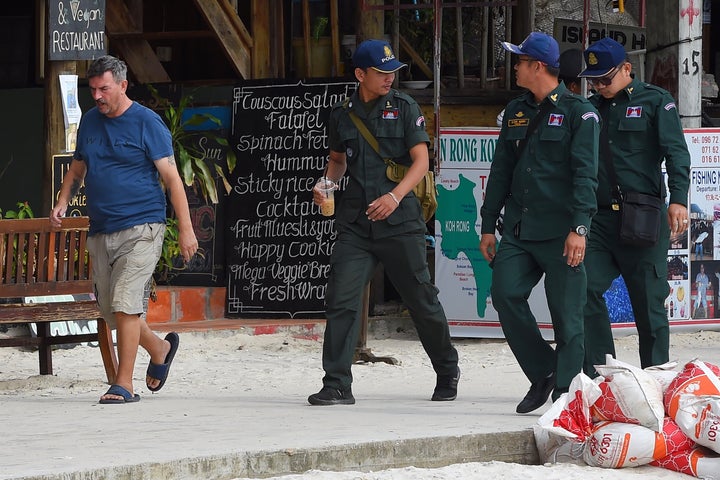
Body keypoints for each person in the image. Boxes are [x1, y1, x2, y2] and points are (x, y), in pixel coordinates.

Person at [308, 39, 460, 406]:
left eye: (393, 71)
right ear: (360, 74)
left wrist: (395, 196)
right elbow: (338, 160)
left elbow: (421, 162)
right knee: (341, 299)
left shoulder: (405, 107)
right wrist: (326, 184)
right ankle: (337, 383)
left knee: (421, 299)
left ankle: (446, 367)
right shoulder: (342, 113)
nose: (390, 78)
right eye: (381, 72)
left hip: (400, 221)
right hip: (356, 224)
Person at [50, 55, 197, 404]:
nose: (98, 96)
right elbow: (76, 170)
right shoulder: (89, 122)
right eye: (93, 89)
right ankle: (159, 349)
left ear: (122, 85)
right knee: (113, 310)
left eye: (104, 88)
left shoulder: (147, 123)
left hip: (143, 227)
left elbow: (173, 180)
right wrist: (62, 200)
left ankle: (123, 384)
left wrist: (188, 230)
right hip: (102, 229)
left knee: (127, 304)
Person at [479, 32, 600, 414]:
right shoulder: (516, 109)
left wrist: (579, 229)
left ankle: (565, 398)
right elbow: (501, 171)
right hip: (519, 229)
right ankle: (544, 371)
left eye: (520, 60)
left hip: (562, 232)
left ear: (538, 67)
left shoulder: (580, 113)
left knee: (568, 319)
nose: (514, 66)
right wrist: (486, 224)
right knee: (504, 293)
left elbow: (586, 177)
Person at [578, 37, 691, 377]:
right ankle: (602, 376)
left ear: (627, 69)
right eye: (593, 80)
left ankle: (655, 381)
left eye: (605, 78)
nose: (599, 85)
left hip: (642, 216)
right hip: (598, 219)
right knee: (583, 290)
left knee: (648, 304)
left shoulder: (656, 101)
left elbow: (677, 154)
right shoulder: (589, 108)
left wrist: (679, 200)